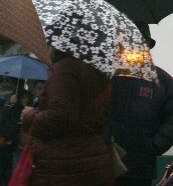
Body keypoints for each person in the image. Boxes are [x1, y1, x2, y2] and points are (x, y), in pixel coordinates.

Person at [22, 48, 114, 186]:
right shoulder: (99, 71)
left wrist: (30, 116)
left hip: (62, 164)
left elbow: (60, 117)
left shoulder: (66, 69)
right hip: (94, 159)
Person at [110, 22, 173, 186]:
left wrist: (153, 147)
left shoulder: (162, 80)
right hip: (102, 164)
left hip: (139, 169)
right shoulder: (106, 73)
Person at [0, 90, 31, 185]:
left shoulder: (28, 111)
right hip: (7, 143)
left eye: (27, 97)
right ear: (19, 98)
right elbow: (3, 122)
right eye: (24, 97)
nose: (26, 100)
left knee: (9, 170)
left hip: (15, 145)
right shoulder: (12, 108)